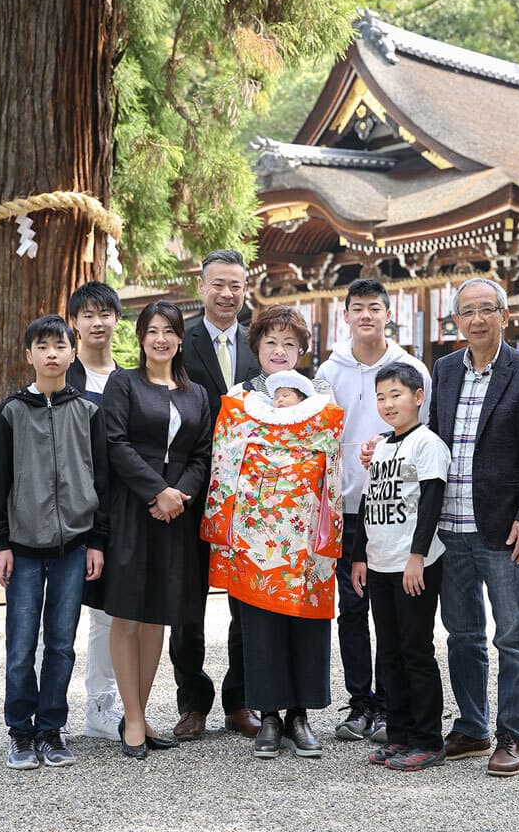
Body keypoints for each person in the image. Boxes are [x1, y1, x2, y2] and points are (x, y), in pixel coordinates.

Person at [429, 277, 519, 777]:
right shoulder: (443, 370)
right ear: (456, 320)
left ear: (504, 316)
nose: (477, 319)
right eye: (467, 312)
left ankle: (514, 734)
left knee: (513, 636)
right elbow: (433, 441)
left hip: (504, 528)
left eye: (487, 310)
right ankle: (472, 726)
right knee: (462, 635)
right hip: (450, 526)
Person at [202, 315, 343, 760]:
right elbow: (224, 458)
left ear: (301, 349)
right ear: (256, 348)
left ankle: (299, 715)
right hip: (254, 533)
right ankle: (267, 715)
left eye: (288, 343)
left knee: (304, 622)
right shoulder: (240, 398)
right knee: (258, 626)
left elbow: (331, 458)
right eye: (270, 342)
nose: (279, 350)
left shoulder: (320, 397)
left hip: (304, 533)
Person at [0, 315, 108, 770]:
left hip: (74, 545)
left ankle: (51, 729)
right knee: (21, 644)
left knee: (60, 642)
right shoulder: (10, 412)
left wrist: (97, 541)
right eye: (43, 346)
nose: (52, 354)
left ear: (73, 354)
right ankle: (20, 731)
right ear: (29, 355)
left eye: (60, 346)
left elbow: (102, 480)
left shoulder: (89, 411)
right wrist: (0, 542)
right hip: (23, 546)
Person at [92, 301, 211, 759]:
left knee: (159, 613)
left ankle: (139, 712)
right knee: (128, 613)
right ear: (140, 338)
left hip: (176, 515)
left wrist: (178, 495)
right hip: (132, 508)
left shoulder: (195, 393)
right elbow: (115, 444)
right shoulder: (124, 383)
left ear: (181, 339)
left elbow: (202, 455)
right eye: (152, 330)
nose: (160, 338)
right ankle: (134, 720)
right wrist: (155, 492)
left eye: (169, 331)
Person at [316, 278, 431, 743]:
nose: (366, 315)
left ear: (389, 314)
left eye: (375, 308)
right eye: (357, 308)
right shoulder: (330, 371)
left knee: (392, 610)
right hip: (345, 506)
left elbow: (426, 436)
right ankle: (360, 701)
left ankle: (391, 702)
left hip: (397, 508)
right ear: (345, 316)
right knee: (351, 608)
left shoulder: (410, 368)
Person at [173, 249, 261, 742]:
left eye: (236, 285)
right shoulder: (178, 340)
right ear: (201, 286)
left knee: (244, 603)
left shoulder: (259, 342)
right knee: (187, 603)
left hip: (250, 498)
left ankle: (240, 699)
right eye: (218, 284)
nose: (228, 294)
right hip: (191, 490)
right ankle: (192, 702)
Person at [351, 362, 450, 772]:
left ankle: (428, 739)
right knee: (389, 652)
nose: (388, 403)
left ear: (418, 396)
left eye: (396, 394)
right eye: (381, 397)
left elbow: (430, 505)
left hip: (414, 565)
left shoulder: (428, 444)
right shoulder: (380, 445)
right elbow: (368, 502)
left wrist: (417, 558)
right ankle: (400, 734)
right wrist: (359, 556)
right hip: (380, 563)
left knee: (415, 651)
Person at [67, 281, 122, 741]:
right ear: (75, 323)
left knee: (107, 614)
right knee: (56, 613)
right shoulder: (62, 376)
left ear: (116, 320)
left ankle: (101, 707)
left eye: (105, 313)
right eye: (88, 314)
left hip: (117, 512)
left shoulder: (129, 379)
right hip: (66, 512)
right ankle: (45, 712)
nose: (97, 322)